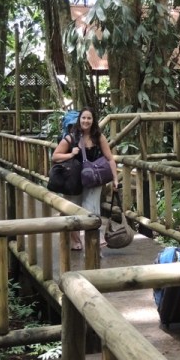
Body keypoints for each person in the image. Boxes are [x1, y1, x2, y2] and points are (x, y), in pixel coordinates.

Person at [51, 106, 119, 251]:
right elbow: (55, 156)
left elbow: (110, 158)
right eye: (83, 118)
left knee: (92, 206)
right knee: (72, 208)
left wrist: (115, 178)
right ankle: (75, 240)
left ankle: (94, 239)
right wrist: (71, 154)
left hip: (94, 178)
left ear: (93, 120)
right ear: (79, 120)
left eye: (89, 118)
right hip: (74, 178)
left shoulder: (99, 137)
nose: (86, 121)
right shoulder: (71, 138)